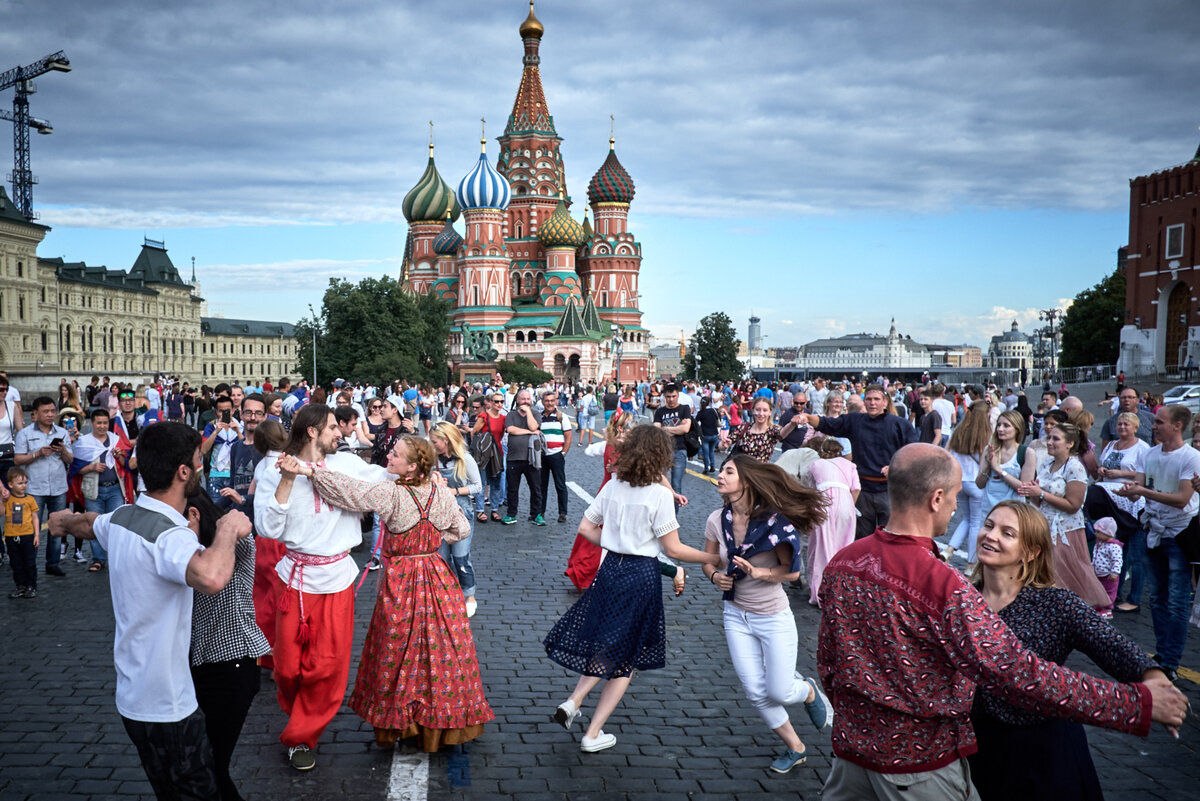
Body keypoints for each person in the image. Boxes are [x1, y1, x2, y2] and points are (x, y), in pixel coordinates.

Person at [817, 443, 1189, 800]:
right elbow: (1018, 671)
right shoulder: (945, 587)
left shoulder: (844, 562)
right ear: (936, 499)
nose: (961, 513)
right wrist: (1133, 704)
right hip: (917, 767)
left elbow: (829, 665)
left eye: (1007, 532)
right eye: (955, 498)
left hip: (855, 756)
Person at [49, 422, 252, 801]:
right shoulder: (169, 536)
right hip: (168, 704)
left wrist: (60, 523)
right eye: (198, 460)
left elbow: (90, 524)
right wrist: (227, 528)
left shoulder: (125, 517)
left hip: (132, 696)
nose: (201, 467)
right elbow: (211, 577)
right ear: (183, 472)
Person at [280, 434, 494, 751]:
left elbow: (350, 492)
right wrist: (437, 534)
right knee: (442, 652)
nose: (389, 458)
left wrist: (312, 472)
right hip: (437, 577)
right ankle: (440, 723)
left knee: (398, 653)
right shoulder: (441, 492)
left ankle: (404, 723)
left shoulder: (392, 494)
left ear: (411, 468)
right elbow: (460, 529)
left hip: (403, 582)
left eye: (395, 455)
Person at [967, 501, 1164, 801]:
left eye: (1007, 533)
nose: (990, 536)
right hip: (980, 746)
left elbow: (1112, 645)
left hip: (1041, 754)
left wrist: (1155, 680)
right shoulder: (963, 598)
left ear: (1030, 552)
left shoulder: (1056, 603)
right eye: (989, 525)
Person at [545, 425, 719, 753]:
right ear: (659, 455)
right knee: (626, 656)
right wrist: (714, 557)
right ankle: (592, 733)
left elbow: (585, 527)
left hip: (610, 569)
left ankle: (574, 700)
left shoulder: (613, 485)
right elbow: (675, 550)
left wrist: (612, 541)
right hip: (640, 575)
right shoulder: (658, 494)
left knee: (607, 642)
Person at [254, 404, 389, 770]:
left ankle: (301, 737)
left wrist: (421, 472)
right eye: (333, 428)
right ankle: (301, 712)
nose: (340, 433)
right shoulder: (272, 471)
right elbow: (267, 527)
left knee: (326, 668)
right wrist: (286, 479)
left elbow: (382, 477)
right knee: (285, 669)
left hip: (336, 580)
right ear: (312, 431)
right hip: (294, 579)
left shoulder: (345, 465)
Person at [702, 454, 833, 773]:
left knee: (779, 690)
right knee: (755, 691)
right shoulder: (715, 520)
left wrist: (760, 574)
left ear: (746, 482)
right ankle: (796, 747)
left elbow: (791, 574)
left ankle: (806, 690)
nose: (720, 475)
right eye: (720, 471)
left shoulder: (774, 523)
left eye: (728, 471)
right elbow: (708, 560)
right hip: (735, 615)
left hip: (773, 617)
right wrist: (713, 576)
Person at [187, 490, 270, 801]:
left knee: (211, 766)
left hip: (232, 665)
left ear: (195, 514)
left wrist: (232, 523)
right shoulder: (193, 548)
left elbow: (238, 535)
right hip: (205, 664)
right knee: (205, 764)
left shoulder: (232, 544)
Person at [1115, 404, 1200, 682]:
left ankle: (1171, 660)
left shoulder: (1191, 457)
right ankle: (1163, 654)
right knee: (1158, 598)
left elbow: (1181, 499)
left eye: (1160, 422)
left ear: (1177, 426)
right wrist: (1130, 491)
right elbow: (1139, 486)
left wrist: (1142, 490)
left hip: (1178, 533)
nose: (1154, 425)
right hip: (1153, 530)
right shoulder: (1149, 454)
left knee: (1176, 601)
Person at [798, 384, 917, 539]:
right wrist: (807, 417)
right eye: (869, 399)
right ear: (864, 402)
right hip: (862, 490)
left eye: (876, 399)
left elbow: (914, 452)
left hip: (889, 490)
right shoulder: (855, 421)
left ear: (885, 402)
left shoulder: (900, 425)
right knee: (861, 538)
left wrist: (896, 467)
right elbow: (827, 423)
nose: (872, 403)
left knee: (891, 537)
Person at [1016, 422, 1111, 609]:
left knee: (1064, 580)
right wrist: (1033, 493)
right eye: (1049, 437)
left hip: (1065, 532)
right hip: (1044, 527)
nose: (1049, 442)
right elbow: (1041, 501)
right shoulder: (1047, 463)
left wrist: (1040, 493)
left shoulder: (1074, 467)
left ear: (1070, 444)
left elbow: (1073, 505)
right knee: (1043, 577)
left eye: (1055, 439)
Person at [13, 396, 72, 577]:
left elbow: (70, 460)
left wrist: (62, 451)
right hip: (34, 487)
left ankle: (52, 563)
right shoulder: (25, 434)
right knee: (32, 528)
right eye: (45, 411)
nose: (50, 415)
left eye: (52, 411)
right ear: (36, 414)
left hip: (58, 486)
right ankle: (30, 564)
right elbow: (18, 459)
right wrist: (38, 453)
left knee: (58, 527)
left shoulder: (62, 432)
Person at [429, 421, 482, 618]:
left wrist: (454, 490)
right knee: (442, 559)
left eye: (435, 441)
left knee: (461, 558)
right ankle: (448, 594)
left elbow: (477, 486)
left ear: (446, 440)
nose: (432, 444)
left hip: (461, 512)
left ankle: (469, 596)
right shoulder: (434, 459)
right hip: (440, 514)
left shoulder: (465, 459)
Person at [70, 408, 133, 572]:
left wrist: (118, 455)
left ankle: (117, 558)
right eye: (99, 423)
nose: (102, 426)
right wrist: (92, 467)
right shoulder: (84, 442)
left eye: (105, 423)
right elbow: (76, 470)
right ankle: (98, 559)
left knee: (117, 523)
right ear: (92, 424)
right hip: (93, 489)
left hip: (115, 488)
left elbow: (125, 465)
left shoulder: (116, 439)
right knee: (95, 524)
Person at [804, 437, 859, 606]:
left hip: (823, 503)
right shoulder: (850, 466)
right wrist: (849, 505)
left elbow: (809, 489)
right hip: (846, 502)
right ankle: (841, 591)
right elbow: (856, 489)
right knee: (844, 547)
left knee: (822, 549)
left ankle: (820, 594)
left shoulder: (815, 465)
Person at [943, 401, 992, 569]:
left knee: (966, 519)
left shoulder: (957, 432)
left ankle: (949, 550)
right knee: (975, 523)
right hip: (976, 483)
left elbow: (946, 453)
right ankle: (971, 564)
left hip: (959, 481)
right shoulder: (984, 436)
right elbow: (984, 463)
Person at [719, 398, 807, 463]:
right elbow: (724, 444)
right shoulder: (744, 427)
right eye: (758, 410)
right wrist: (723, 444)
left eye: (765, 410)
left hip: (759, 476)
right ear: (753, 411)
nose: (761, 414)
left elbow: (782, 433)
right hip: (741, 475)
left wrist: (792, 424)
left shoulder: (772, 430)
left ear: (770, 413)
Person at [502, 388, 543, 525]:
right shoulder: (511, 415)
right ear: (517, 400)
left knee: (535, 488)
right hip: (514, 458)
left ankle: (536, 514)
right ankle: (511, 514)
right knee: (512, 488)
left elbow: (533, 426)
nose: (525, 401)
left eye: (528, 399)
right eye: (523, 399)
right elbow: (511, 430)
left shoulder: (536, 413)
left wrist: (529, 412)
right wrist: (530, 432)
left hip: (532, 458)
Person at [534, 389, 574, 524]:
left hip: (557, 455)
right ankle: (541, 512)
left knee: (560, 485)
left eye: (552, 400)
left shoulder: (562, 417)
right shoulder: (538, 417)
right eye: (547, 401)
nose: (549, 403)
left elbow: (568, 437)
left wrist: (563, 453)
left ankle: (562, 512)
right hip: (543, 456)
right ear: (542, 402)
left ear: (555, 401)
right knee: (542, 486)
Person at [652, 384, 692, 507]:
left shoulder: (684, 408)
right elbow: (656, 430)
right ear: (664, 396)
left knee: (676, 485)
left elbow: (685, 429)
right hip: (663, 451)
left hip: (679, 450)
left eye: (673, 396)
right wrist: (677, 428)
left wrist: (665, 428)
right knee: (659, 482)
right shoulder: (660, 411)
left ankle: (673, 517)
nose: (671, 399)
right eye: (668, 397)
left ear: (678, 395)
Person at [4, 467, 39, 598]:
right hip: (11, 536)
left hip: (27, 535)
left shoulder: (30, 499)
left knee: (29, 562)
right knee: (16, 563)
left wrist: (36, 535)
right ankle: (21, 586)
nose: (23, 486)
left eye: (25, 482)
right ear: (11, 484)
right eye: (20, 483)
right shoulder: (7, 500)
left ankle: (32, 585)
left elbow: (35, 517)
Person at [1091, 516, 1123, 618]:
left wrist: (1115, 573)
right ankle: (1100, 606)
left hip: (1108, 575)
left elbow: (1117, 560)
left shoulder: (1113, 546)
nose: (1096, 534)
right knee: (1099, 590)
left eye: (1099, 532)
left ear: (1108, 533)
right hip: (1099, 573)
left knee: (1109, 592)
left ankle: (1108, 609)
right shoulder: (1099, 544)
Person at [695, 397, 721, 473]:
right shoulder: (714, 410)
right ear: (709, 402)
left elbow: (696, 421)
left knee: (705, 452)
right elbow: (718, 418)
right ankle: (712, 466)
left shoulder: (701, 412)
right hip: (714, 433)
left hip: (705, 434)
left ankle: (706, 468)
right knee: (711, 451)